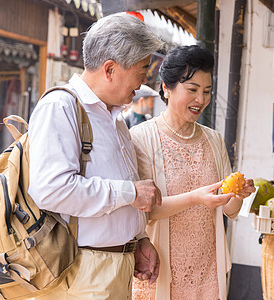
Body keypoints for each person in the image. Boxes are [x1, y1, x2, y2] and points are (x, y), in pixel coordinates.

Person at [27, 13, 164, 299]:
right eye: (142, 68)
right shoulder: (60, 107)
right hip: (82, 271)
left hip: (115, 268)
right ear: (110, 69)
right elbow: (51, 189)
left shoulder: (114, 117)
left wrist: (139, 240)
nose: (144, 79)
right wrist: (130, 193)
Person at [130, 45, 255, 300]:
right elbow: (145, 211)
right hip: (161, 269)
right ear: (166, 87)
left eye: (207, 91)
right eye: (193, 90)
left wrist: (238, 195)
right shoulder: (141, 138)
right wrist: (196, 198)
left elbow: (229, 210)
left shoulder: (214, 140)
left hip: (207, 271)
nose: (201, 100)